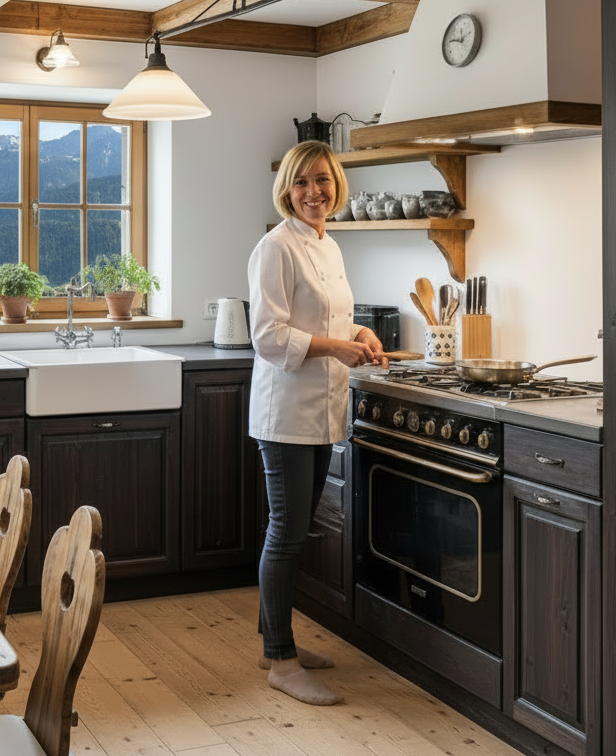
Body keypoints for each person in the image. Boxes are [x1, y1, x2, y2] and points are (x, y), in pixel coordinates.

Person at [248, 140, 388, 706]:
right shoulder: (275, 246)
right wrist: (336, 346)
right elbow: (268, 336)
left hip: (322, 410)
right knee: (286, 533)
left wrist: (359, 336)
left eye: (324, 181)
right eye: (303, 182)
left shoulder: (329, 246)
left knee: (294, 531)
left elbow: (333, 317)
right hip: (285, 414)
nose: (315, 192)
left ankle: (272, 641)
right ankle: (282, 662)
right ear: (287, 188)